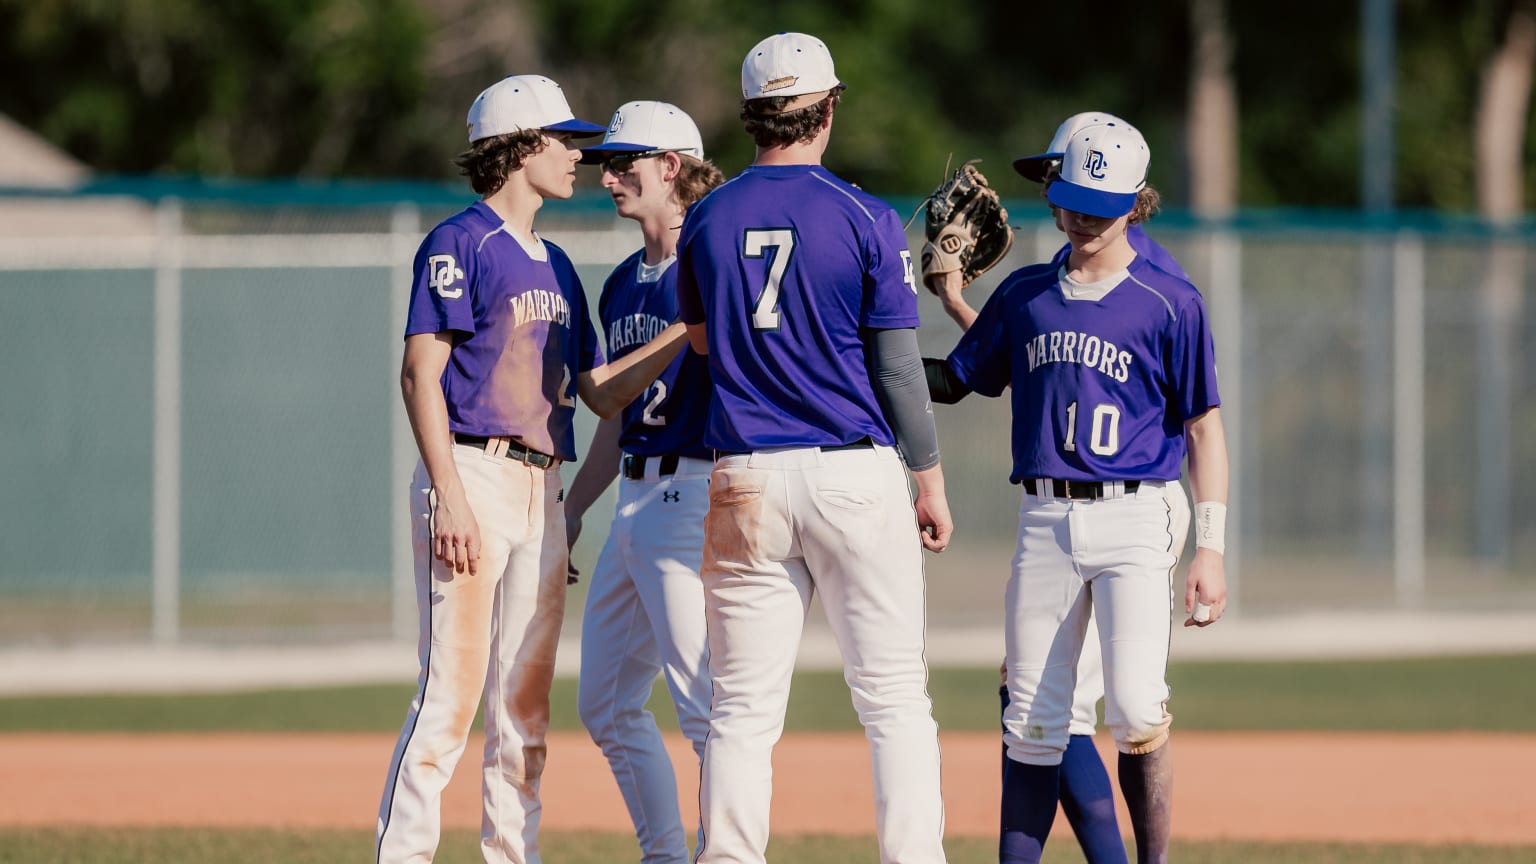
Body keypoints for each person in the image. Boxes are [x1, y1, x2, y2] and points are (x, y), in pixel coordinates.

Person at [375, 74, 690, 864]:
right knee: (449, 697)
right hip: (473, 475)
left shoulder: (556, 265)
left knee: (523, 706)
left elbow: (598, 392)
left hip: (541, 486)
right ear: (518, 150)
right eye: (562, 141)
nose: (577, 156)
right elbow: (420, 375)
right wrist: (447, 495)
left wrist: (687, 330)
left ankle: (513, 857)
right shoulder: (461, 242)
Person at [675, 31, 954, 864]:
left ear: (754, 117)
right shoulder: (865, 216)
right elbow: (900, 370)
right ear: (828, 109)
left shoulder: (707, 217)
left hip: (745, 476)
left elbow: (697, 340)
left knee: (741, 713)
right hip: (852, 474)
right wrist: (930, 481)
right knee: (895, 699)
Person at [924, 119, 1229, 864]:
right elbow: (970, 375)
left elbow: (1203, 430)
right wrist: (880, 339)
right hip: (1045, 516)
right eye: (1071, 201)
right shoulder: (1027, 291)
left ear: (1136, 202)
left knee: (1132, 706)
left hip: (1137, 509)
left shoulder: (1168, 300)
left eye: (1101, 203)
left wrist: (1211, 550)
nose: (1083, 217)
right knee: (1030, 716)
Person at [562, 100, 725, 864]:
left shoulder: (714, 256)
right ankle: (665, 854)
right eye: (605, 160)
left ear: (673, 167)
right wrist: (574, 507)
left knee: (704, 709)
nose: (609, 173)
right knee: (605, 703)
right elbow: (614, 414)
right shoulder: (625, 280)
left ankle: (726, 853)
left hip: (694, 491)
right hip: (633, 495)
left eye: (627, 160)